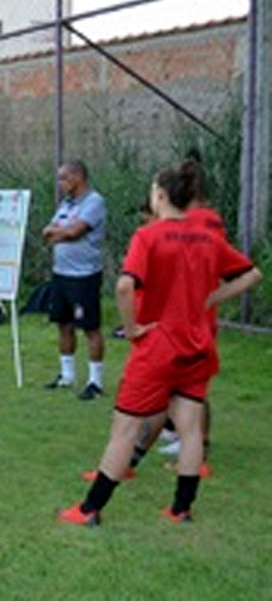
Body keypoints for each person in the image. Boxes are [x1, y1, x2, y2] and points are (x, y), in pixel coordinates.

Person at [57, 162, 262, 526]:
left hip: (158, 348)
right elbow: (252, 274)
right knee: (190, 428)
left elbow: (124, 286)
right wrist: (212, 298)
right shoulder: (208, 238)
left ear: (161, 195)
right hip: (198, 346)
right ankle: (181, 508)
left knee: (124, 429)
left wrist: (132, 328)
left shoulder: (148, 236)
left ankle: (90, 509)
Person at [42, 160, 107, 400]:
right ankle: (66, 375)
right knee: (63, 324)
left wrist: (61, 232)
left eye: (63, 178)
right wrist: (60, 232)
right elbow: (47, 230)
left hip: (84, 275)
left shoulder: (94, 202)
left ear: (78, 177)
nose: (60, 184)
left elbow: (74, 232)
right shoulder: (65, 204)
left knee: (90, 327)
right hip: (61, 273)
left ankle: (95, 381)